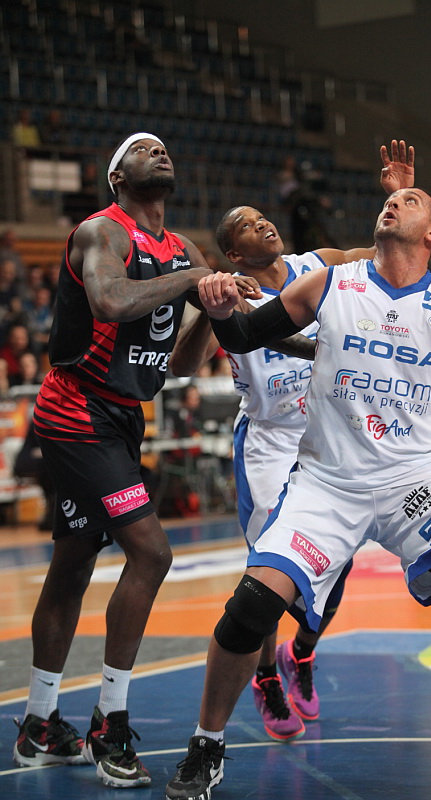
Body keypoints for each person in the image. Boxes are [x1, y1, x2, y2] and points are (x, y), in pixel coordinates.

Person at [165, 187, 431, 800]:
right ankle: (207, 744)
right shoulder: (330, 281)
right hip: (327, 484)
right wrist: (219, 307)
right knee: (250, 609)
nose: (394, 204)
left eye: (410, 202)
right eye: (392, 200)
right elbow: (244, 336)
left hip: (417, 480)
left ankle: (301, 655)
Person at [169, 140, 415, 741]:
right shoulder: (230, 295)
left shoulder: (316, 266)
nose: (264, 224)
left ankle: (300, 653)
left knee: (338, 564)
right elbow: (180, 366)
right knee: (272, 572)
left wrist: (399, 197)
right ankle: (264, 678)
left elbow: (385, 256)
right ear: (234, 253)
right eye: (247, 226)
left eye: (263, 217)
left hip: (331, 435)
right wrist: (208, 308)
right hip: (272, 443)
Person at [11, 133, 216, 788]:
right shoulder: (102, 232)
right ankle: (110, 721)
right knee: (151, 553)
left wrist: (213, 314)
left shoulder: (182, 248)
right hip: (76, 409)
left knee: (74, 563)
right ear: (117, 177)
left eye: (165, 147)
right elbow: (109, 301)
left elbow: (185, 363)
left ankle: (39, 724)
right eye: (143, 149)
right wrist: (196, 281)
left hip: (122, 417)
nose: (160, 151)